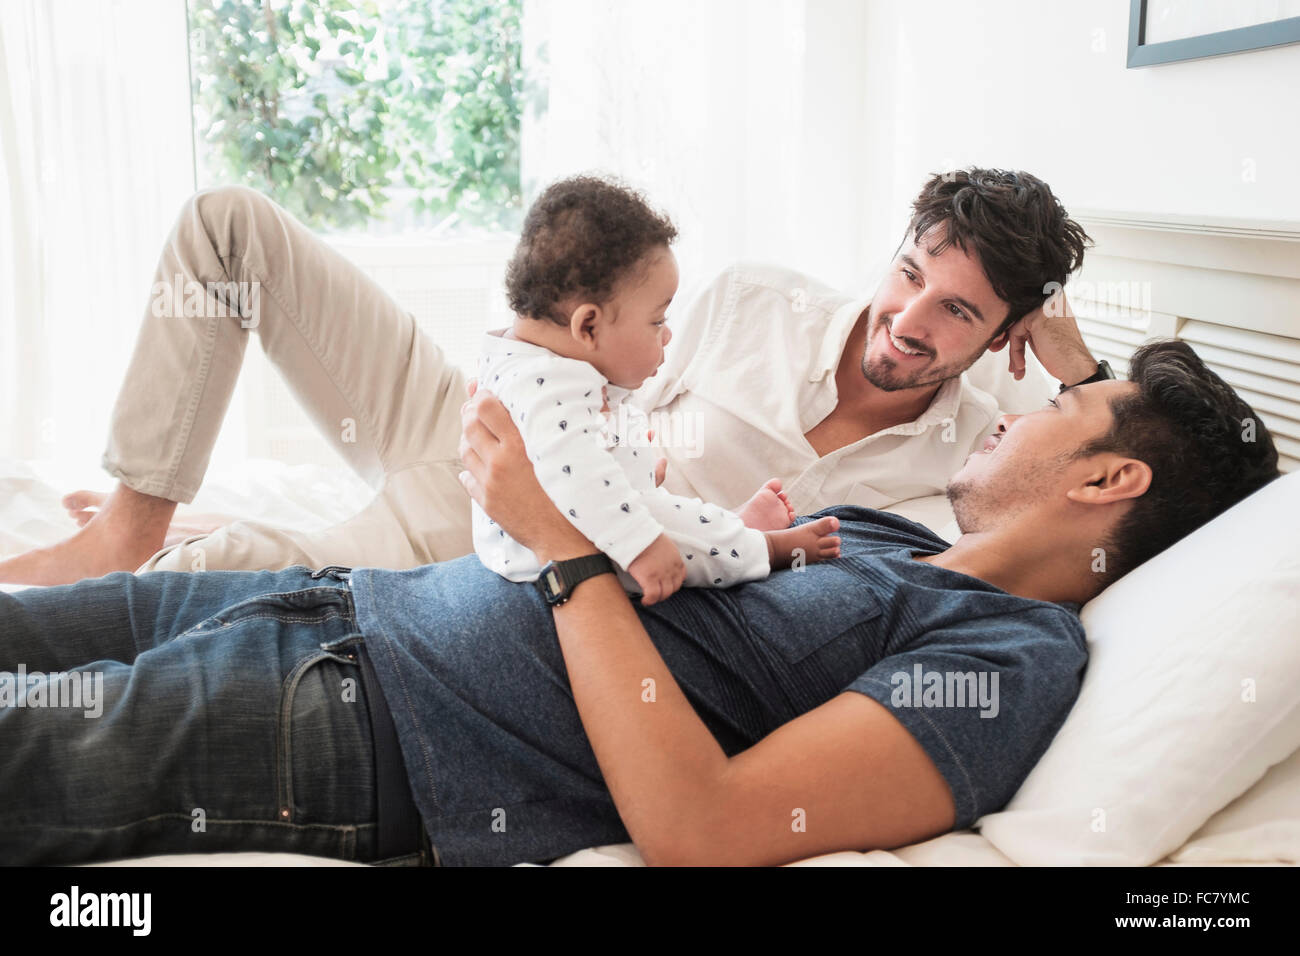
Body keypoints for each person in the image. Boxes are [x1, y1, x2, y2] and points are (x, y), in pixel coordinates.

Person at [0, 340, 1279, 867]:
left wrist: (565, 551)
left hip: (359, 727)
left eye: (1055, 408)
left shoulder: (1008, 655)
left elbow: (701, 821)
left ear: (1111, 477)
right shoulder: (888, 533)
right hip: (329, 606)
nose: (1013, 409)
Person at [0, 167, 1099, 586]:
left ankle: (186, 547)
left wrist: (1075, 360)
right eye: (908, 272)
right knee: (227, 227)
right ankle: (135, 521)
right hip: (484, 409)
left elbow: (1182, 476)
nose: (904, 321)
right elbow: (599, 365)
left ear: (1001, 332)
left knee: (235, 572)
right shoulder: (762, 299)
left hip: (525, 518)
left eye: (954, 310)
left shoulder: (981, 446)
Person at [476, 174, 841, 604]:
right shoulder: (546, 382)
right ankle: (767, 548)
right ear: (587, 325)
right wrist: (641, 547)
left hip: (584, 526)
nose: (667, 336)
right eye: (657, 321)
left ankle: (730, 527)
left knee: (666, 512)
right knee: (660, 526)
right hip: (565, 555)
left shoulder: (529, 360)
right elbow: (575, 472)